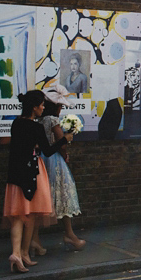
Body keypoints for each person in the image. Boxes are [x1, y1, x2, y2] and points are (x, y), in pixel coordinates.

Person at [4, 89, 71, 273]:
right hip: (33, 171)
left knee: (17, 215)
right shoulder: (36, 127)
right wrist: (64, 139)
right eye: (41, 104)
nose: (43, 107)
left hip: (15, 173)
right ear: (34, 108)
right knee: (31, 214)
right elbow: (48, 150)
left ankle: (17, 254)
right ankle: (24, 253)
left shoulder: (16, 123)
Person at [36, 86, 86, 252]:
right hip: (54, 161)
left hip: (41, 159)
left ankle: (34, 238)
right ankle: (69, 234)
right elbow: (60, 141)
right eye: (60, 106)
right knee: (62, 195)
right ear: (55, 106)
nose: (61, 108)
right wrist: (68, 138)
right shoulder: (52, 120)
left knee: (41, 198)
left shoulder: (40, 120)